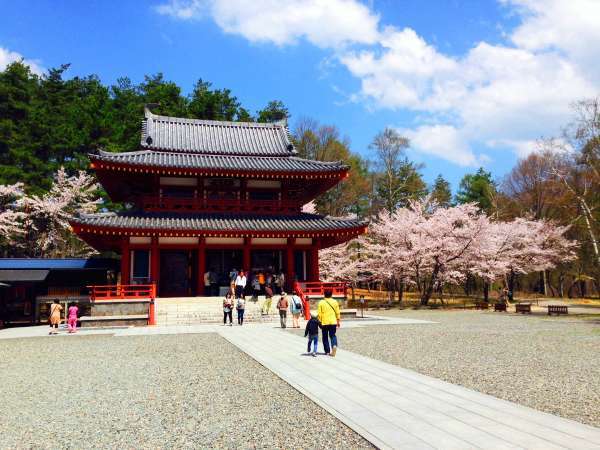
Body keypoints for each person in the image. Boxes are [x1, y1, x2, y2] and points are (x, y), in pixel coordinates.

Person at [317, 289, 341, 357]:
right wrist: (338, 321)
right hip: (333, 321)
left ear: (324, 294)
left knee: (325, 337)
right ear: (331, 294)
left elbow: (319, 313)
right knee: (333, 335)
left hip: (324, 322)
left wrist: (319, 321)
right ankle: (334, 345)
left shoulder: (321, 302)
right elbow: (337, 312)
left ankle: (327, 351)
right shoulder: (335, 302)